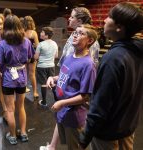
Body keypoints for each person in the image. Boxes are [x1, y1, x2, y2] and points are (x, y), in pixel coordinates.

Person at [79, 2, 143, 150]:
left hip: (108, 132)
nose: (104, 20)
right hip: (127, 126)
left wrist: (84, 138)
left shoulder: (114, 58)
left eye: (109, 17)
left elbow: (101, 104)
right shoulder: (136, 50)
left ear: (119, 27)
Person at [40, 7, 100, 150]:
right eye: (75, 33)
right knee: (66, 139)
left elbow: (84, 96)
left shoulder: (87, 64)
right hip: (63, 108)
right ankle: (52, 147)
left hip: (72, 111)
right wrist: (53, 78)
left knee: (75, 145)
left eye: (80, 33)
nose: (74, 35)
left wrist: (63, 103)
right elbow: (64, 74)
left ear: (89, 40)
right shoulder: (69, 56)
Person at [0, 15, 33, 145]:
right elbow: (29, 58)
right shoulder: (26, 41)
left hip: (8, 80)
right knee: (21, 107)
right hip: (21, 78)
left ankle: (13, 135)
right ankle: (24, 133)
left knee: (10, 109)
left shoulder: (3, 44)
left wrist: (0, 74)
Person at [34, 27, 58, 107]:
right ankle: (57, 100)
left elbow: (36, 57)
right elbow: (56, 56)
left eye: (42, 32)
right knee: (52, 83)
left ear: (47, 35)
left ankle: (44, 102)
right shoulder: (55, 43)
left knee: (43, 84)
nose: (40, 33)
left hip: (41, 66)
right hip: (51, 66)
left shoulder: (40, 44)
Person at [23, 15, 39, 100]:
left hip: (23, 55)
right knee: (32, 74)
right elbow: (37, 45)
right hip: (32, 55)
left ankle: (24, 88)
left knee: (24, 72)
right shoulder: (33, 33)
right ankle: (35, 92)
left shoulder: (21, 32)